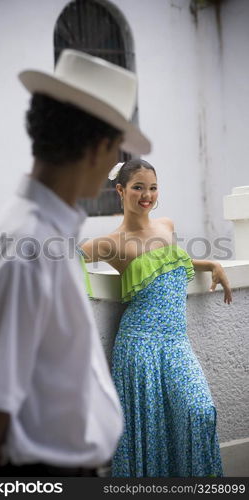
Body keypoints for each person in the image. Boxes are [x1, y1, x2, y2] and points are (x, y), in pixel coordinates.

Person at [0, 50, 152, 477]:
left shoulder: (51, 236)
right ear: (99, 147)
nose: (113, 165)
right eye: (115, 151)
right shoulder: (26, 246)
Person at [81, 158, 232, 477]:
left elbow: (169, 262)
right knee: (150, 435)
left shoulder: (166, 226)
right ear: (120, 190)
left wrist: (211, 265)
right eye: (138, 188)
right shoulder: (112, 243)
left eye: (152, 187)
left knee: (200, 412)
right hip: (139, 349)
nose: (147, 195)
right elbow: (70, 256)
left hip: (176, 344)